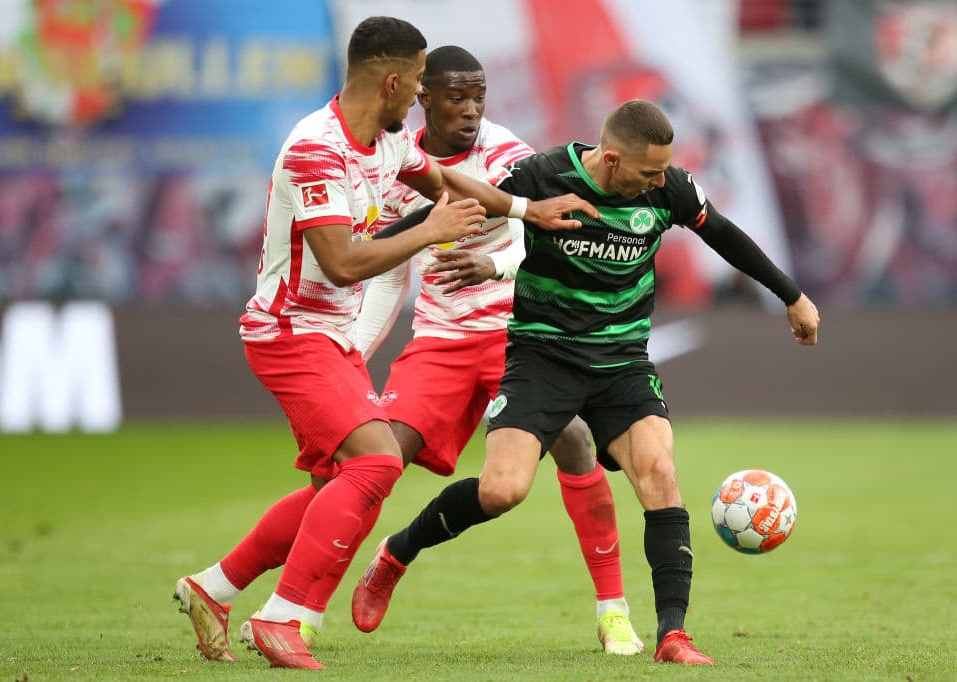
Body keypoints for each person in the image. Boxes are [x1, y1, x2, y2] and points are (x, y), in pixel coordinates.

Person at [172, 17, 595, 671]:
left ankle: (214, 587)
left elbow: (449, 186)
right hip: (291, 333)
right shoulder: (317, 148)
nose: (425, 93)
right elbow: (341, 262)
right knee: (377, 464)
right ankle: (283, 618)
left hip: (330, 338)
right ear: (395, 81)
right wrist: (430, 234)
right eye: (421, 80)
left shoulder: (389, 140)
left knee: (338, 484)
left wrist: (525, 212)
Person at [351, 98, 821, 667]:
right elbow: (463, 202)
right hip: (542, 357)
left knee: (660, 473)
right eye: (649, 171)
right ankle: (397, 552)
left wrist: (791, 296)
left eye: (663, 171)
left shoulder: (667, 187)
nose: (659, 181)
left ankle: (674, 635)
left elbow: (723, 233)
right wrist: (367, 251)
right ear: (613, 159)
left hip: (621, 361)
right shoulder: (544, 176)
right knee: (503, 490)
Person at [350, 45, 644, 655]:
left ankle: (613, 609)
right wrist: (350, 352)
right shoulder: (394, 162)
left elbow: (532, 239)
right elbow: (386, 272)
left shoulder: (509, 154)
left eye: (479, 97)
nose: (471, 110)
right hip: (440, 339)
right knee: (371, 464)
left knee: (574, 442)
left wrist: (492, 265)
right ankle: (298, 607)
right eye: (457, 98)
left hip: (518, 336)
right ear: (422, 97)